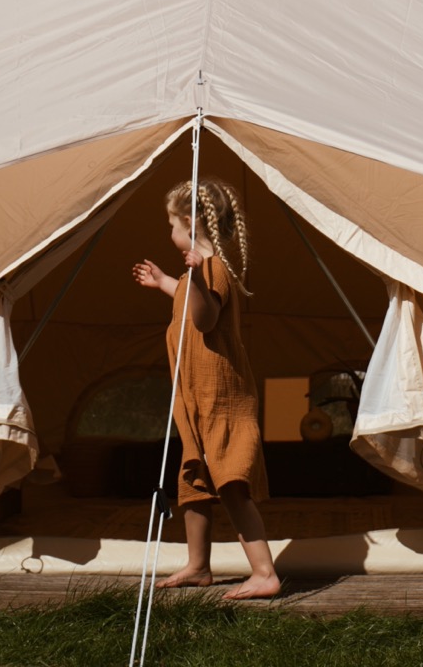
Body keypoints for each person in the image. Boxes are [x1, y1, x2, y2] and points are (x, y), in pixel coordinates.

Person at [132, 179, 280, 599]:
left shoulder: (212, 270)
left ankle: (265, 572)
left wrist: (193, 279)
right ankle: (198, 565)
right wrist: (167, 282)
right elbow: (189, 300)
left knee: (230, 482)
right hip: (198, 400)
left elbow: (205, 319)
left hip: (221, 400)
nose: (169, 232)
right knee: (195, 481)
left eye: (171, 225)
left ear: (189, 222)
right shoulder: (197, 274)